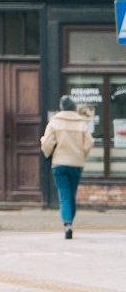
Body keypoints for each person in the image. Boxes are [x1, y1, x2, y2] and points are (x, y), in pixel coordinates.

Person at [41, 96, 95, 240]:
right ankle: (70, 221)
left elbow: (47, 143)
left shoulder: (54, 122)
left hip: (59, 164)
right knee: (72, 194)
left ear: (62, 107)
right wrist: (82, 153)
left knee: (64, 195)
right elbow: (89, 143)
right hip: (76, 164)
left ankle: (68, 225)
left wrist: (48, 152)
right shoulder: (81, 123)